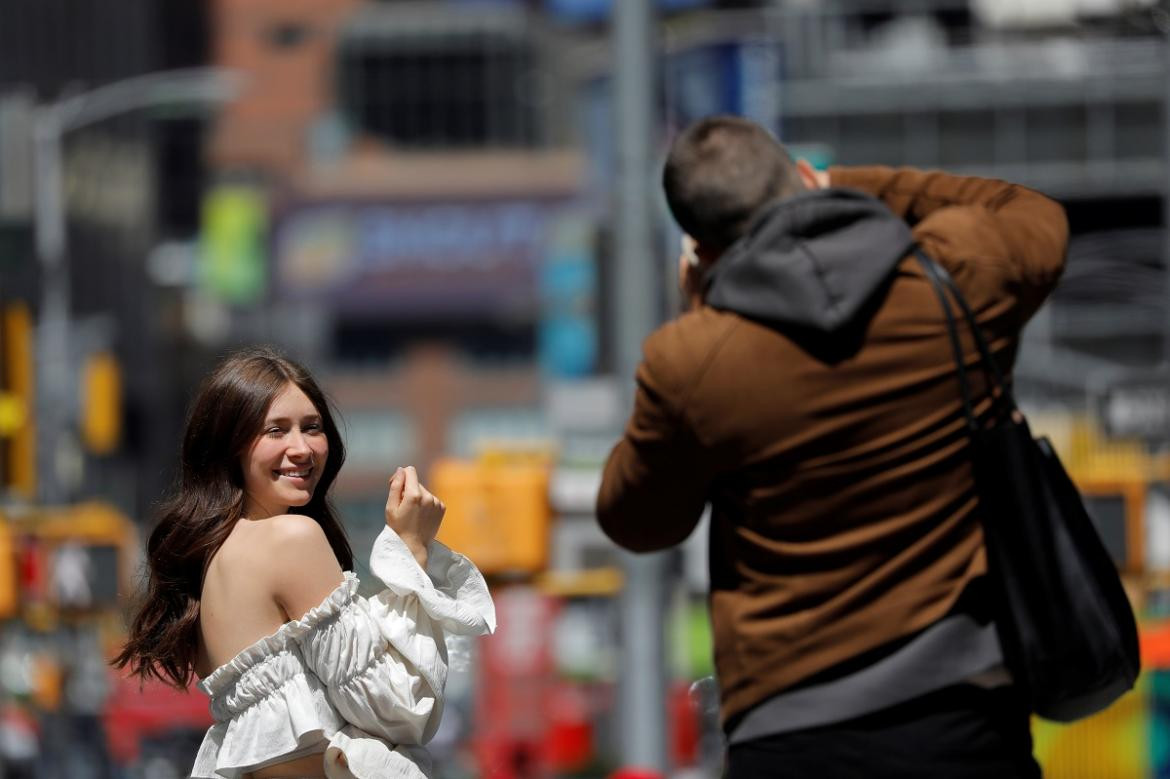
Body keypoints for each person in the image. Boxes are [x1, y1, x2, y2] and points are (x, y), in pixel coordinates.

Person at [596, 115, 1068, 778]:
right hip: (963, 715)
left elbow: (636, 519)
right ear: (805, 179)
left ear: (699, 248)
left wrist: (702, 314)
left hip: (792, 733)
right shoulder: (960, 272)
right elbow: (1028, 211)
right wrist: (837, 184)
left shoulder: (693, 360)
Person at [113, 347, 496, 779]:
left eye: (311, 428)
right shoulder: (291, 538)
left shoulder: (212, 555)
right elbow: (397, 709)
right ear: (229, 446)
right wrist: (411, 549)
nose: (301, 448)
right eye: (275, 431)